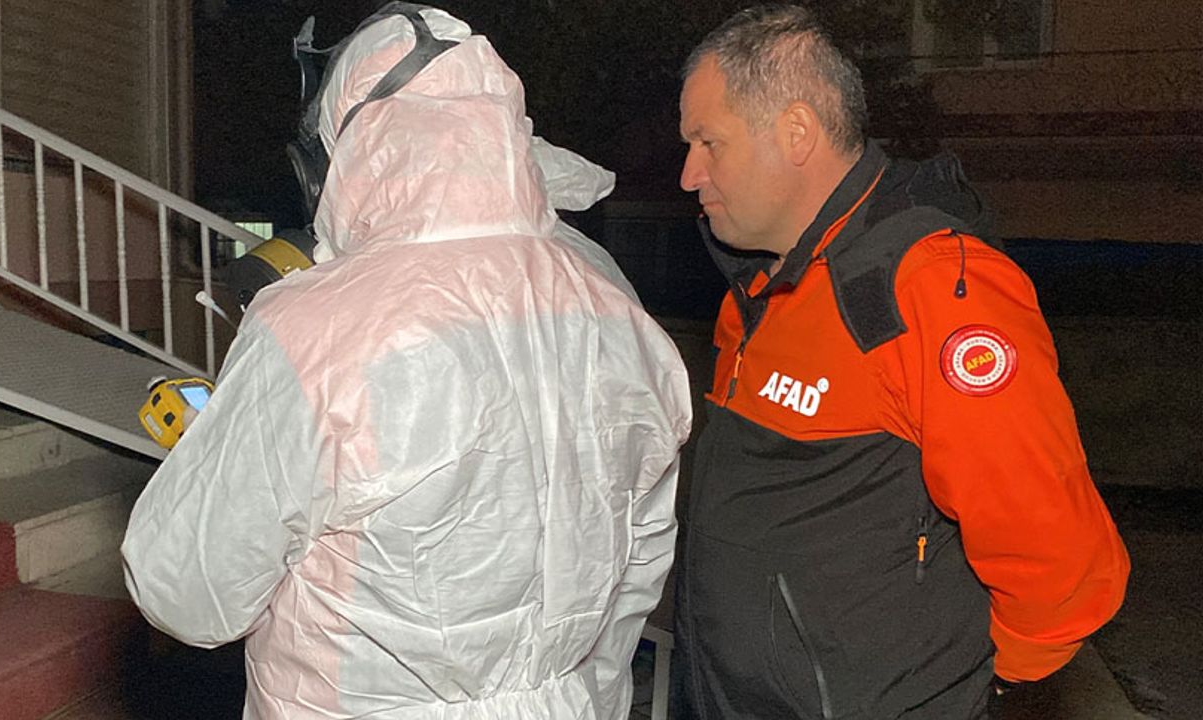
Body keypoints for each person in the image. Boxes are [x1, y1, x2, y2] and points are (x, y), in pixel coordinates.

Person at [121, 5, 692, 719]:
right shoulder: (622, 319)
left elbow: (189, 595)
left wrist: (213, 462)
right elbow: (637, 575)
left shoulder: (313, 329)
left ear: (350, 151)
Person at [672, 5, 1130, 718]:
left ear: (795, 132)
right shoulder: (758, 289)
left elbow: (1057, 557)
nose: (688, 174)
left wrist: (966, 685)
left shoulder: (928, 288)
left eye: (708, 142)